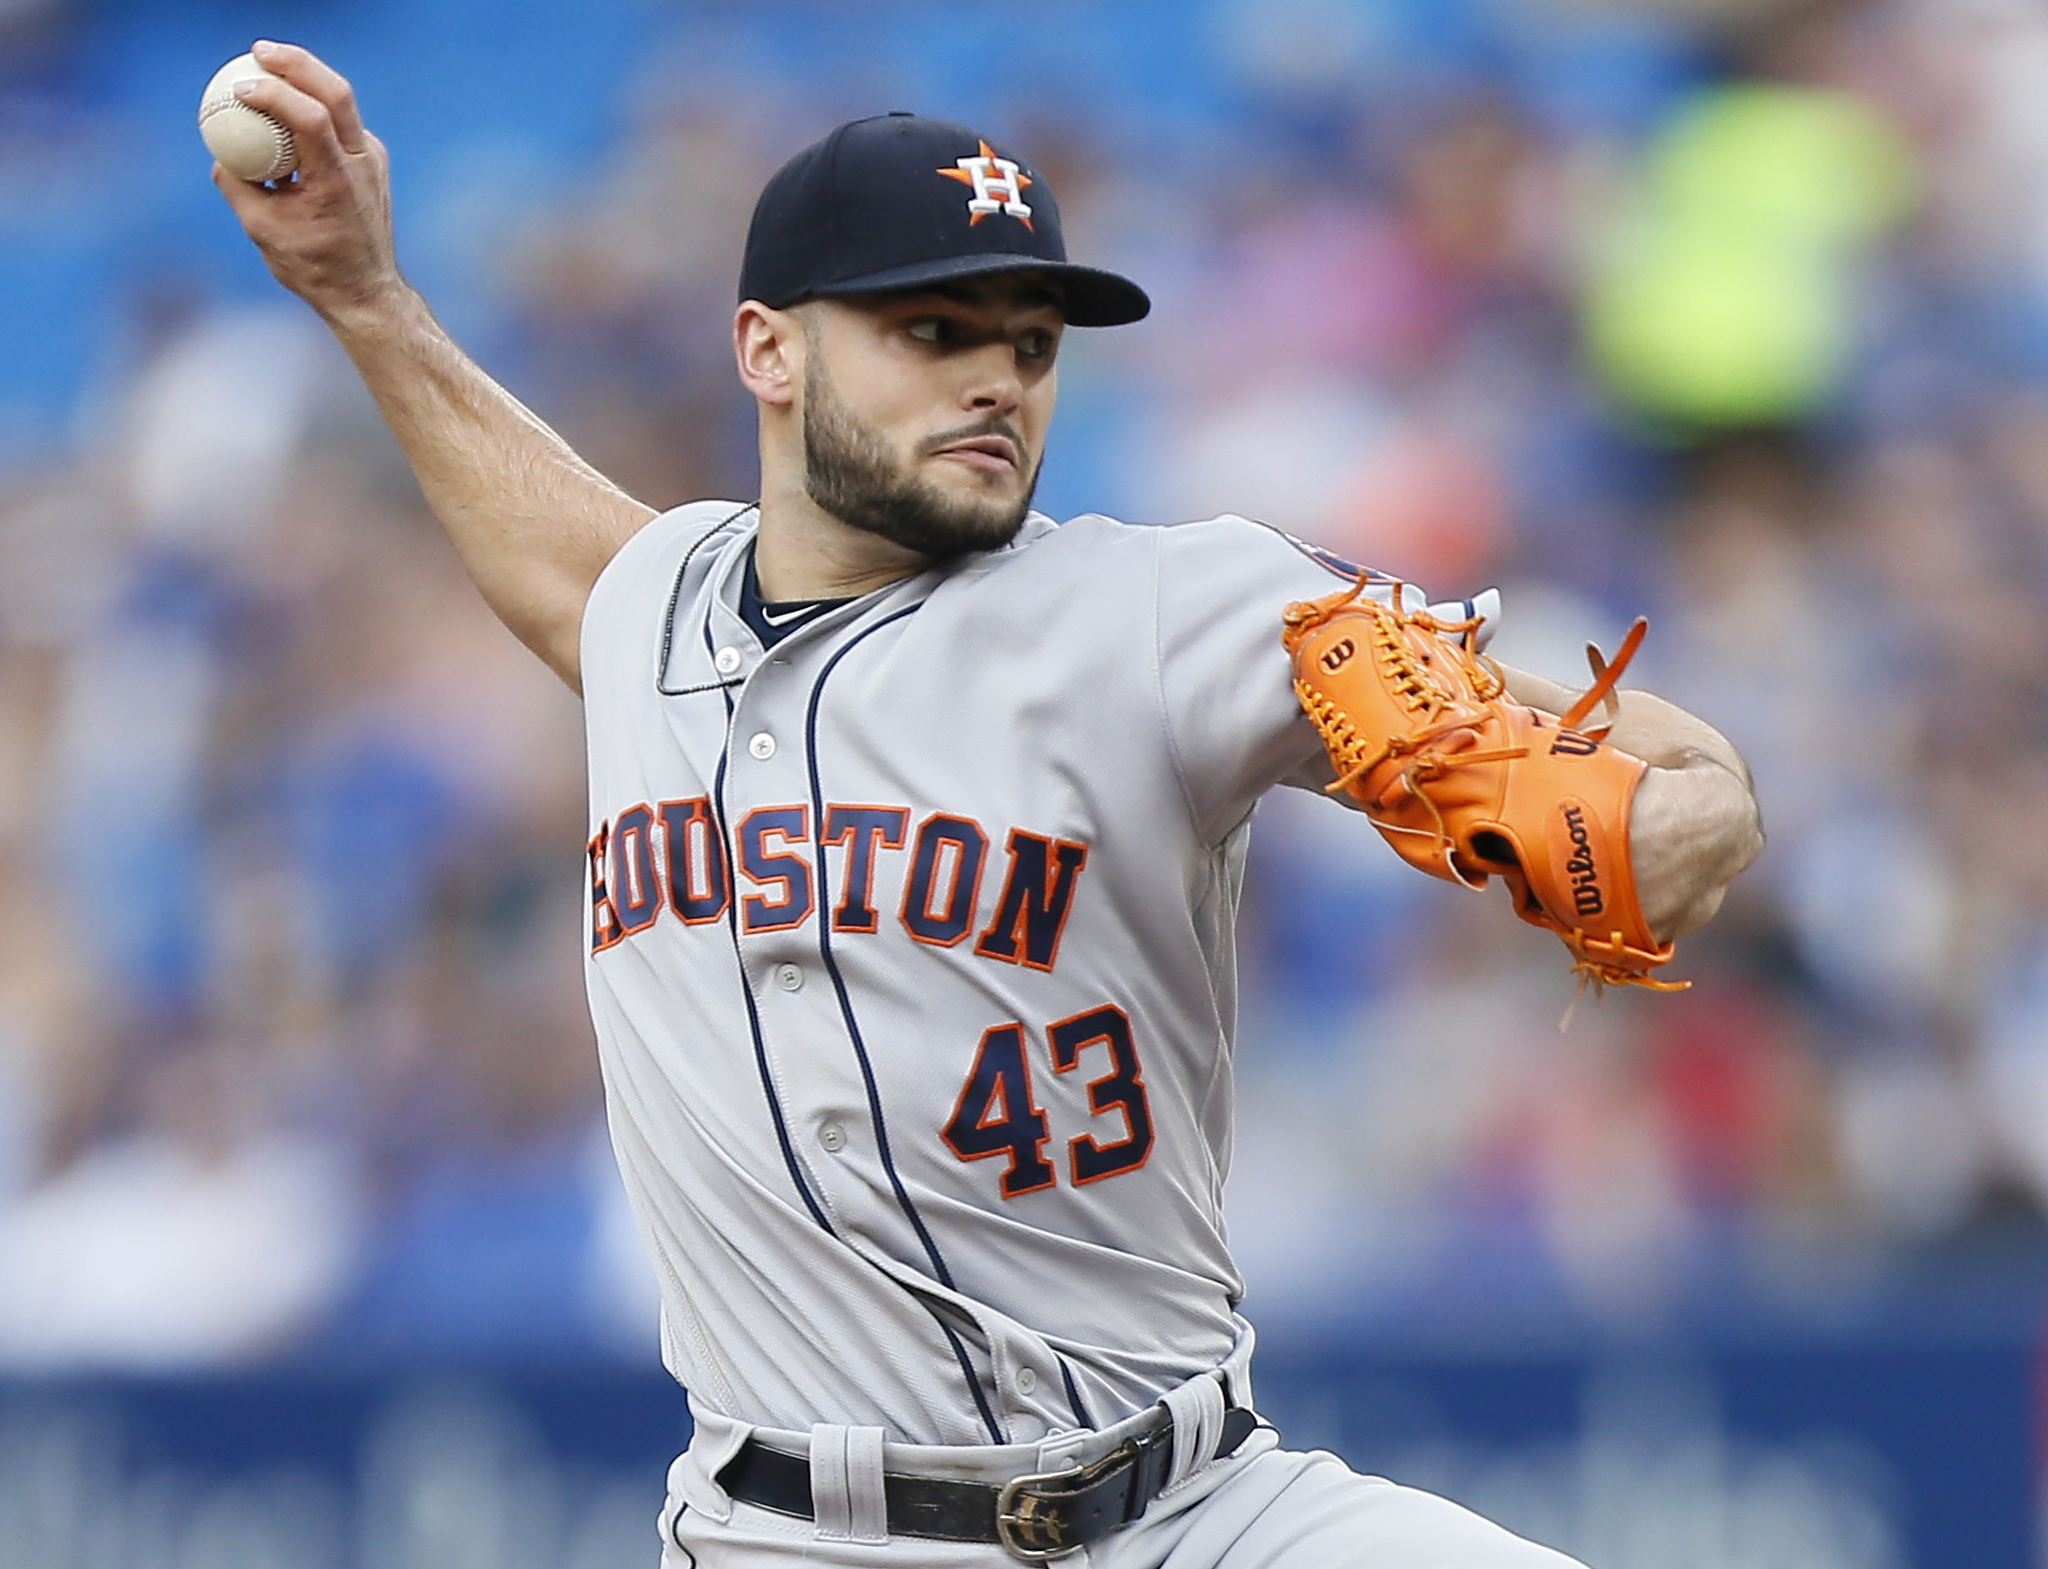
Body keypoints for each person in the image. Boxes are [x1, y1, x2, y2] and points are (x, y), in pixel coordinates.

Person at [214, 42, 1762, 1568]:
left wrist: (1659, 806)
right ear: (768, 350)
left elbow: (1659, 828)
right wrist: (363, 296)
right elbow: (559, 553)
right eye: (931, 327)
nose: (994, 378)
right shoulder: (653, 613)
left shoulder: (1176, 611)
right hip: (792, 1539)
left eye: (1029, 340)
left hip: (1199, 1515)